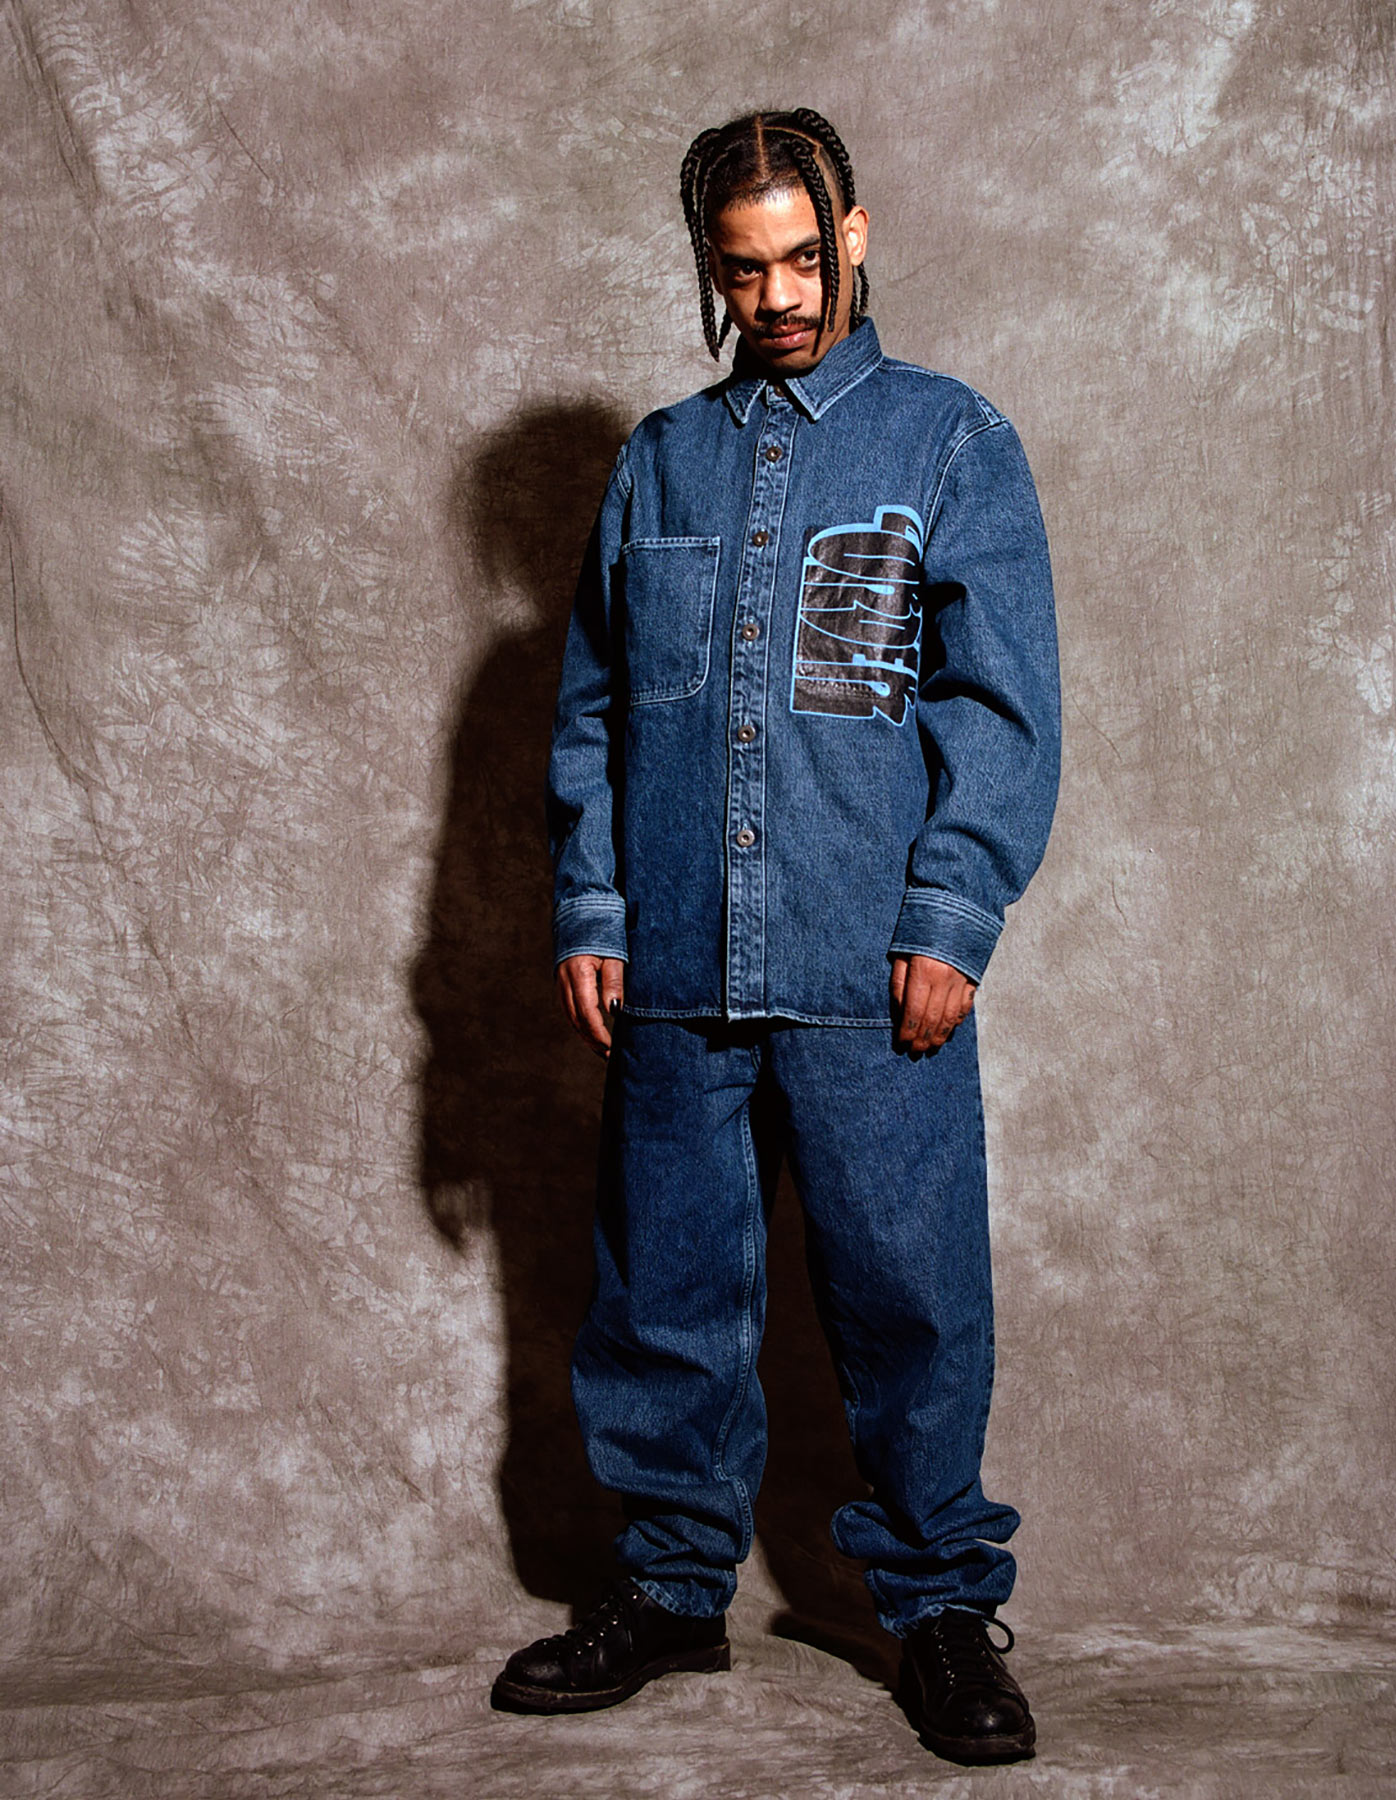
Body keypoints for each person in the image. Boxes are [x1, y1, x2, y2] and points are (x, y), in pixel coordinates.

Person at [490, 108, 1061, 1767]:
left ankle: (937, 1607)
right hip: (676, 962)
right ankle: (673, 1588)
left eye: (805, 259)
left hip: (868, 965)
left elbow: (1002, 712)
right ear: (710, 270)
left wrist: (951, 914)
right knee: (664, 1294)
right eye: (744, 272)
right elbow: (594, 704)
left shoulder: (950, 443)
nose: (782, 298)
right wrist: (594, 903)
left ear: (854, 235)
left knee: (910, 1298)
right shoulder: (657, 461)